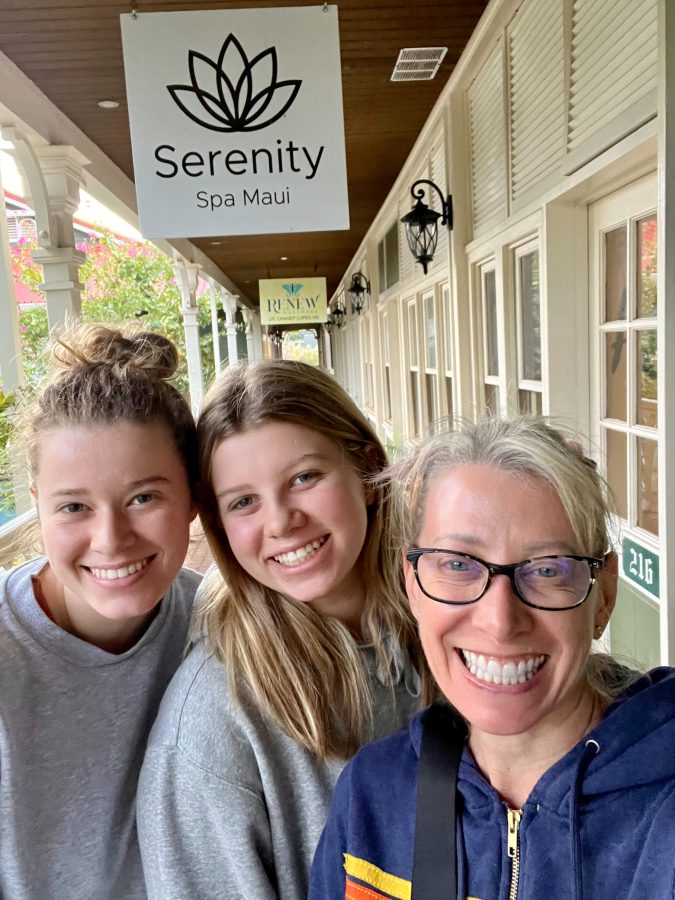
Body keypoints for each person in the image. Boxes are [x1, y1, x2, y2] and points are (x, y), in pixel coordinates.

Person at [309, 417, 675, 900]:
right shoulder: (372, 799)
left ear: (603, 594)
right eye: (458, 564)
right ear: (412, 584)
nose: (500, 620)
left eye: (547, 569)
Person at [137, 360, 434, 900]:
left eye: (304, 478)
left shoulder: (450, 626)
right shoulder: (215, 721)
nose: (280, 522)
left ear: (369, 471)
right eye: (243, 502)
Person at [0, 324, 201, 900]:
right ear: (37, 505)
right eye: (74, 507)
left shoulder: (216, 625)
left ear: (191, 496)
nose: (111, 539)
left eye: (143, 497)